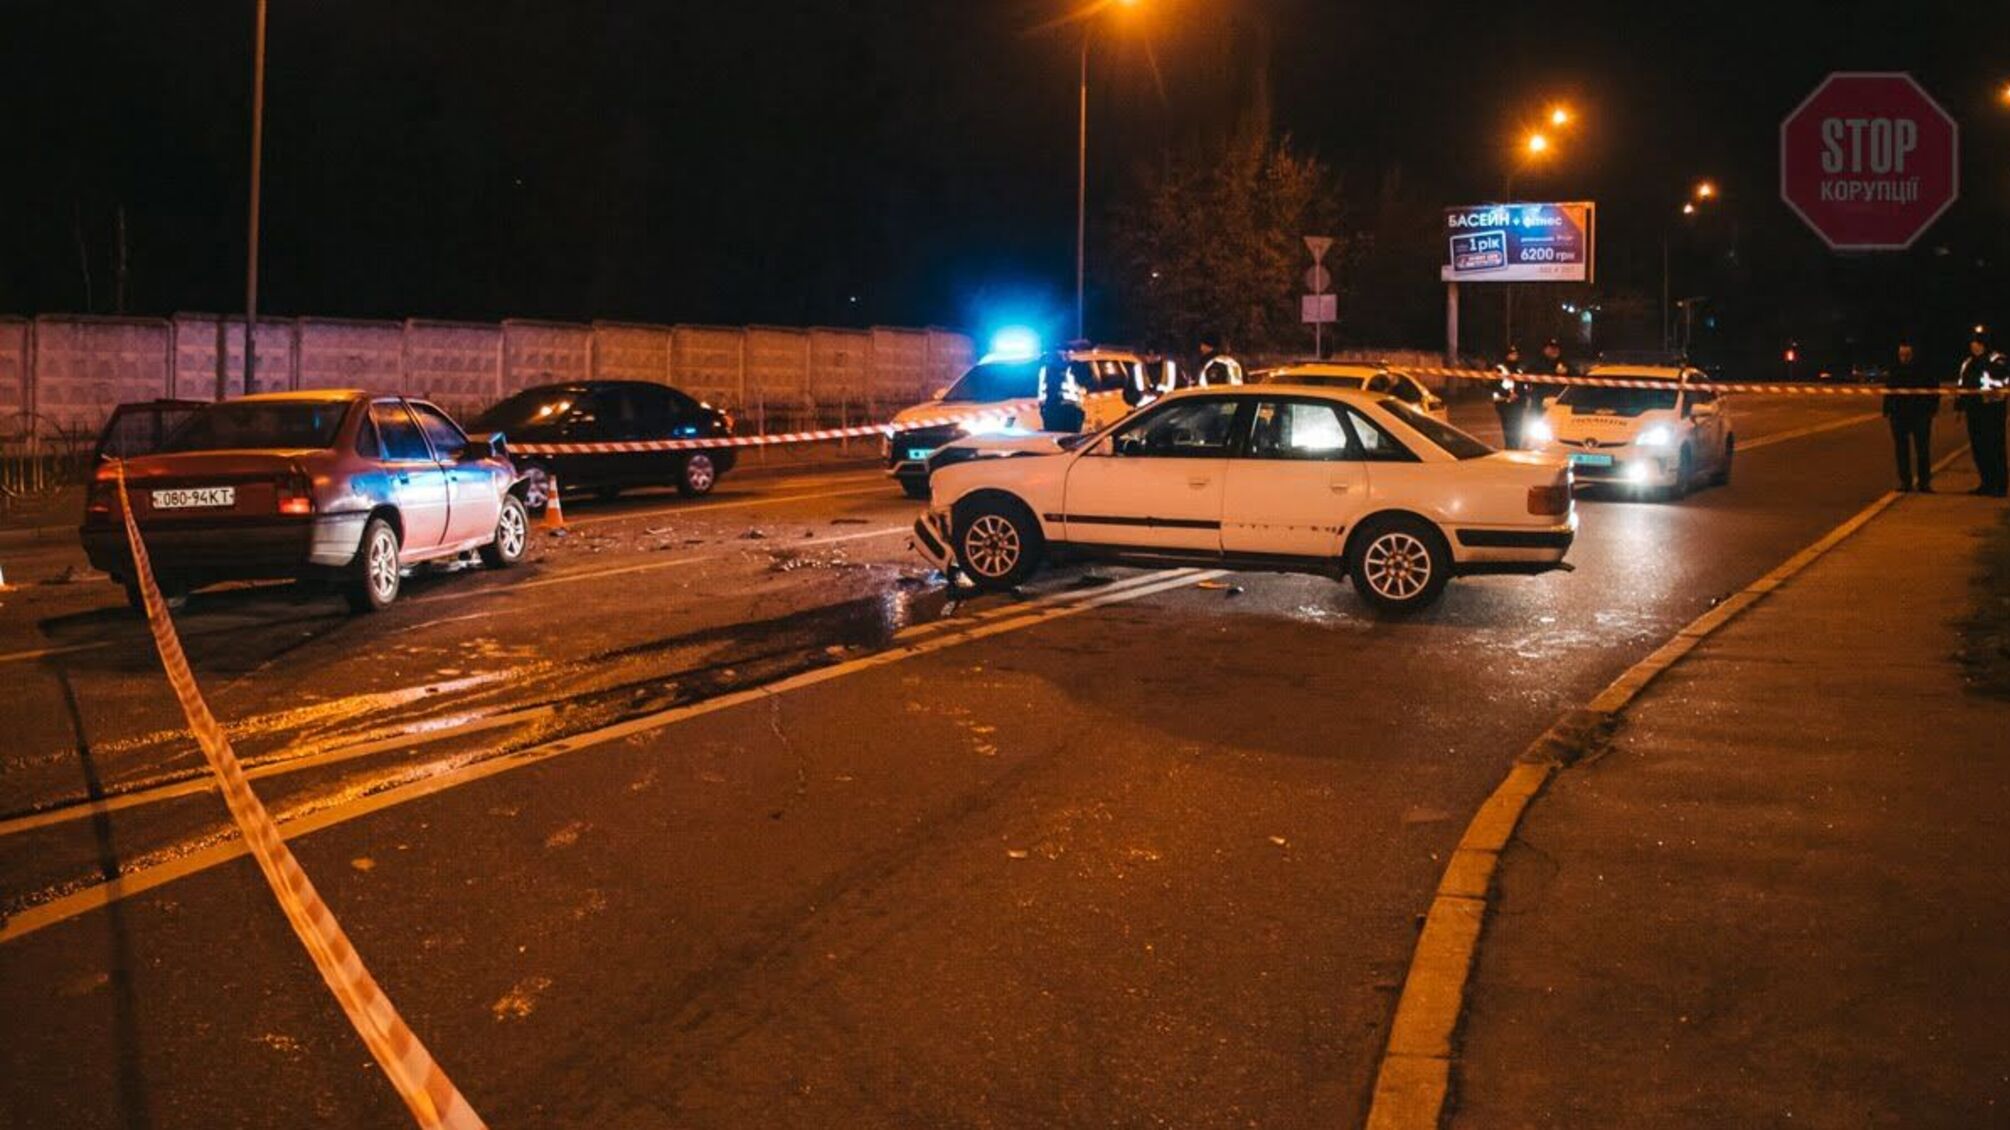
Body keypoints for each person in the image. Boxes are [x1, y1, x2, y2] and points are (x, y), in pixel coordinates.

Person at [1955, 328, 2009, 497]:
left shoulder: (1998, 359)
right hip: (1974, 410)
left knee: (1995, 448)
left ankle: (1999, 486)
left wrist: (1983, 361)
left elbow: (2001, 376)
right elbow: (1961, 383)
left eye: (1977, 344)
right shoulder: (1967, 362)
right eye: (1972, 344)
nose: (1974, 347)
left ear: (1985, 344)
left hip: (1993, 409)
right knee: (1979, 449)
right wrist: (1959, 406)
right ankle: (1985, 483)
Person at [1883, 338, 1938, 492]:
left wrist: (1931, 410)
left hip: (1920, 414)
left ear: (1913, 354)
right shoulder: (1895, 369)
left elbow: (1934, 390)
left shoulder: (1924, 369)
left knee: (1922, 450)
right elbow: (1889, 390)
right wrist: (1887, 410)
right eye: (1902, 354)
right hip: (1899, 415)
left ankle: (1924, 482)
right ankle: (1905, 482)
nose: (1904, 357)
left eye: (1907, 354)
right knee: (1901, 450)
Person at [1037, 351, 1087, 433]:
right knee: (1069, 439)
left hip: (1053, 411)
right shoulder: (1070, 367)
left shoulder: (1045, 369)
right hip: (1066, 411)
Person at [1492, 344, 1531, 449]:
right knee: (1509, 429)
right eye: (1512, 354)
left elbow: (1524, 386)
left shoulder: (1519, 370)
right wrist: (1508, 394)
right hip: (1504, 404)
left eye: (1516, 354)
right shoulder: (1499, 368)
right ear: (1506, 355)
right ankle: (1510, 448)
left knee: (1517, 428)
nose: (1515, 356)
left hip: (1518, 404)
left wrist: (1525, 397)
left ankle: (1515, 448)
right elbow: (1494, 385)